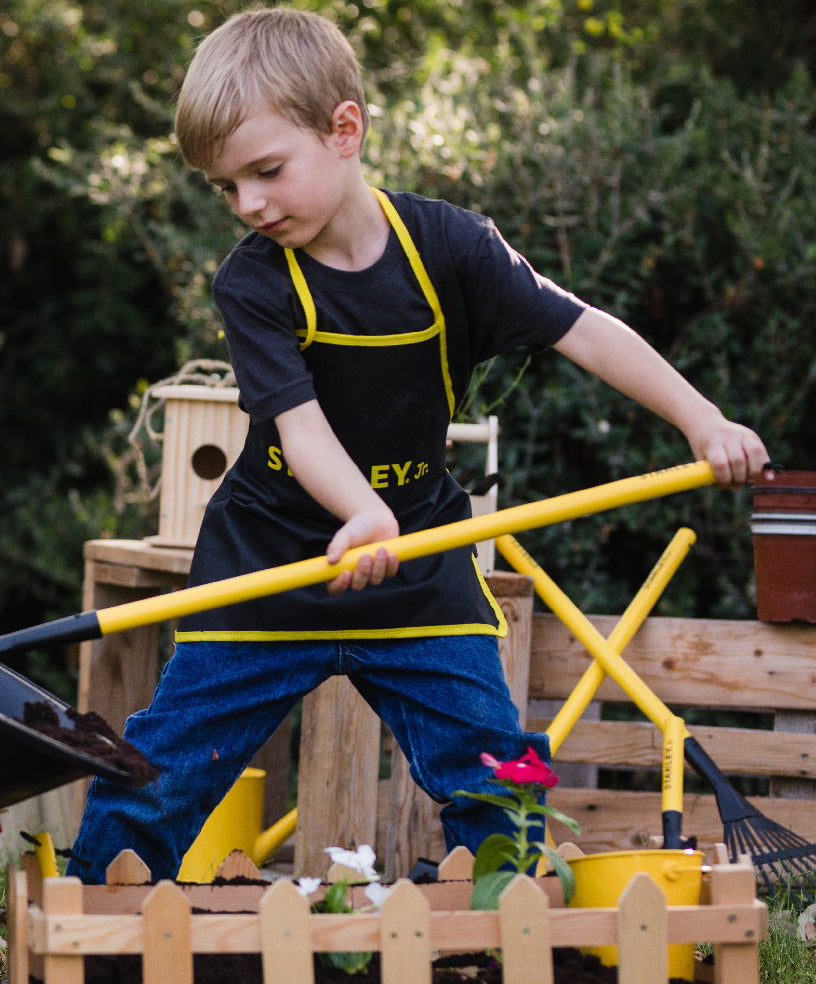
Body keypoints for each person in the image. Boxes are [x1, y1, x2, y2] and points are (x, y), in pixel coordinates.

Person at [67, 6, 772, 884]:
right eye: (226, 188)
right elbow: (300, 426)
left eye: (266, 172)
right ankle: (95, 893)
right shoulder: (253, 279)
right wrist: (362, 512)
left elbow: (585, 330)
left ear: (346, 128)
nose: (246, 204)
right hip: (271, 560)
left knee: (498, 753)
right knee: (168, 758)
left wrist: (703, 421)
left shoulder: (453, 247)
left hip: (419, 554)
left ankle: (511, 879)